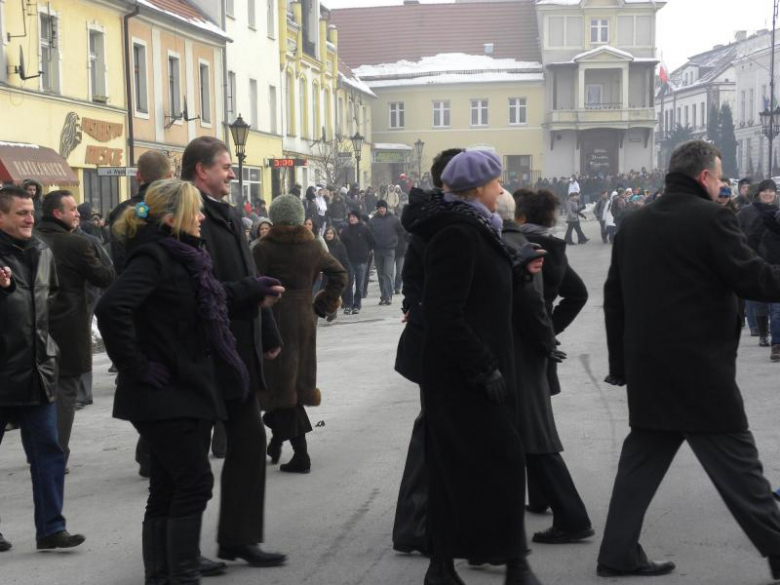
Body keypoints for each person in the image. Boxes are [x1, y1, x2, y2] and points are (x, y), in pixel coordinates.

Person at [599, 140, 780, 580]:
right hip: (700, 371)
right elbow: (753, 278)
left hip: (649, 368)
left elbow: (614, 299)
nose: (721, 187)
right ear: (704, 177)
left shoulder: (635, 222)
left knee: (640, 465)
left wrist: (620, 366)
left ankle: (617, 553)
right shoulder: (712, 217)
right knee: (740, 468)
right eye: (718, 178)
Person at [406, 150, 543, 584]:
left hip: (472, 371)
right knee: (500, 462)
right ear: (477, 188)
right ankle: (512, 563)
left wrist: (516, 270)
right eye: (496, 182)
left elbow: (478, 290)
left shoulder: (477, 227)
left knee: (457, 469)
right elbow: (444, 312)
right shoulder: (458, 233)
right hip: (462, 376)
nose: (501, 190)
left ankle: (445, 566)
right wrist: (483, 368)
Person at [96, 179, 237, 584]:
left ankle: (161, 576)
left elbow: (196, 302)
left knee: (167, 486)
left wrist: (250, 290)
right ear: (172, 219)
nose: (201, 218)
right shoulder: (155, 256)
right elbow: (111, 307)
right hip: (165, 392)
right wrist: (136, 365)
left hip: (177, 389)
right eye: (195, 211)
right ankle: (182, 575)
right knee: (194, 482)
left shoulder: (180, 255)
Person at [181, 136, 287, 569]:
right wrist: (250, 292)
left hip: (238, 350)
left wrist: (268, 331)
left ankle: (239, 538)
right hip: (202, 354)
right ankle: (183, 550)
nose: (231, 173)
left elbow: (249, 275)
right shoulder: (188, 216)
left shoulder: (226, 215)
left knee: (249, 440)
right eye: (225, 166)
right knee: (191, 459)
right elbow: (196, 290)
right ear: (201, 169)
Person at [0, 185, 85, 552]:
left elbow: (47, 299)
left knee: (49, 450)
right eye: (21, 213)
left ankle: (51, 528)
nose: (30, 219)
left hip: (37, 367)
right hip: (2, 369)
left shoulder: (42, 250)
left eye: (31, 212)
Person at [393, 148, 463, 557]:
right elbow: (421, 285)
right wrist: (420, 311)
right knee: (434, 433)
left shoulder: (436, 220)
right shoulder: (439, 224)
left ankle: (431, 522)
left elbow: (413, 282)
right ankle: (418, 525)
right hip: (440, 344)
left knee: (437, 431)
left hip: (436, 339)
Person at [512, 188, 592, 540]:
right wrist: (551, 327)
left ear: (521, 216)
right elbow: (578, 294)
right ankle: (541, 496)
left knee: (535, 429)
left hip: (526, 345)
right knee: (533, 422)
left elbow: (527, 301)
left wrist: (546, 332)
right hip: (540, 343)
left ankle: (571, 516)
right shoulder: (553, 248)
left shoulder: (524, 246)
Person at [253, 195, 347, 473]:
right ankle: (278, 440)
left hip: (273, 318)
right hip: (305, 319)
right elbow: (339, 274)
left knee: (279, 387)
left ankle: (299, 454)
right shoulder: (313, 246)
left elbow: (251, 283)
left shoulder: (263, 248)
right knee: (291, 384)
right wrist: (323, 303)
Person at [36, 190, 116, 467]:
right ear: (57, 213)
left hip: (32, 327)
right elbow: (105, 276)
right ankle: (56, 455)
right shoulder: (76, 243)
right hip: (67, 329)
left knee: (38, 393)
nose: (78, 214)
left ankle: (40, 451)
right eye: (72, 209)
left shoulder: (31, 239)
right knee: (64, 392)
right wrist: (99, 253)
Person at [108, 150, 173, 274]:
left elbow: (118, 258)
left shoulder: (120, 211)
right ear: (169, 177)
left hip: (130, 280)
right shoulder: (175, 207)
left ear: (138, 175)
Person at [737, 179, 777, 346]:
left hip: (775, 260)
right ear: (759, 193)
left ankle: (776, 338)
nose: (768, 194)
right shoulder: (747, 211)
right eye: (764, 191)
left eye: (771, 191)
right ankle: (762, 332)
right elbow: (736, 230)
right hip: (755, 259)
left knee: (776, 303)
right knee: (760, 300)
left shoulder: (778, 210)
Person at [340, 209, 375, 315]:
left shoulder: (365, 229)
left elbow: (373, 242)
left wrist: (367, 252)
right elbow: (341, 245)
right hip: (349, 261)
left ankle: (357, 305)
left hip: (361, 261)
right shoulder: (345, 230)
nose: (351, 219)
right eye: (350, 217)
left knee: (359, 286)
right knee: (348, 284)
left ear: (358, 218)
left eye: (354, 217)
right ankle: (348, 305)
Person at [369, 200, 405, 305]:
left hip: (390, 250)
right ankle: (383, 296)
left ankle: (388, 296)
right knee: (380, 275)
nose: (381, 209)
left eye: (383, 207)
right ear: (377, 209)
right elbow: (369, 235)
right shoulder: (373, 221)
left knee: (388, 273)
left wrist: (397, 243)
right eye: (380, 208)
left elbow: (401, 232)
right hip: (377, 250)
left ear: (386, 208)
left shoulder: (394, 219)